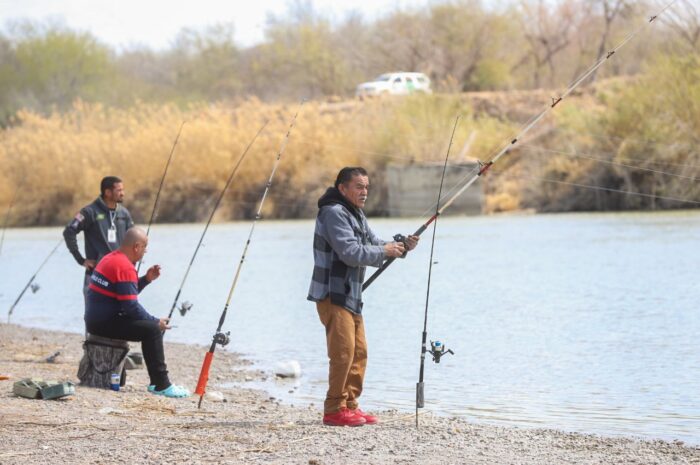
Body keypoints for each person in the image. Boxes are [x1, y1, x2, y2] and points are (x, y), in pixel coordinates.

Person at [308, 167, 419, 426]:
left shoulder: (354, 212)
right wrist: (386, 250)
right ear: (342, 188)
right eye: (359, 186)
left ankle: (349, 404)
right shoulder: (333, 213)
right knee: (343, 353)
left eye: (366, 187)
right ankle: (334, 409)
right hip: (332, 294)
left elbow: (373, 242)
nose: (364, 192)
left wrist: (402, 247)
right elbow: (350, 252)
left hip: (350, 294)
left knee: (359, 352)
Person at [85, 227, 189, 398]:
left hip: (96, 319)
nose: (145, 251)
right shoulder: (125, 267)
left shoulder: (110, 258)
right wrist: (156, 322)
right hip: (104, 323)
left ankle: (159, 382)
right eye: (145, 247)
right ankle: (161, 384)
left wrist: (146, 279)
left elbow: (124, 295)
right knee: (152, 331)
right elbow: (131, 307)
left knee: (149, 325)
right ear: (136, 246)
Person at [63, 176, 134, 299]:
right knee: (96, 317)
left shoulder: (124, 213)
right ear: (107, 192)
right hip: (97, 276)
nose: (123, 193)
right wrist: (81, 260)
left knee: (123, 316)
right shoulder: (89, 212)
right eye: (119, 190)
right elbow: (69, 231)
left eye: (123, 190)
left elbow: (133, 239)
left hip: (121, 276)